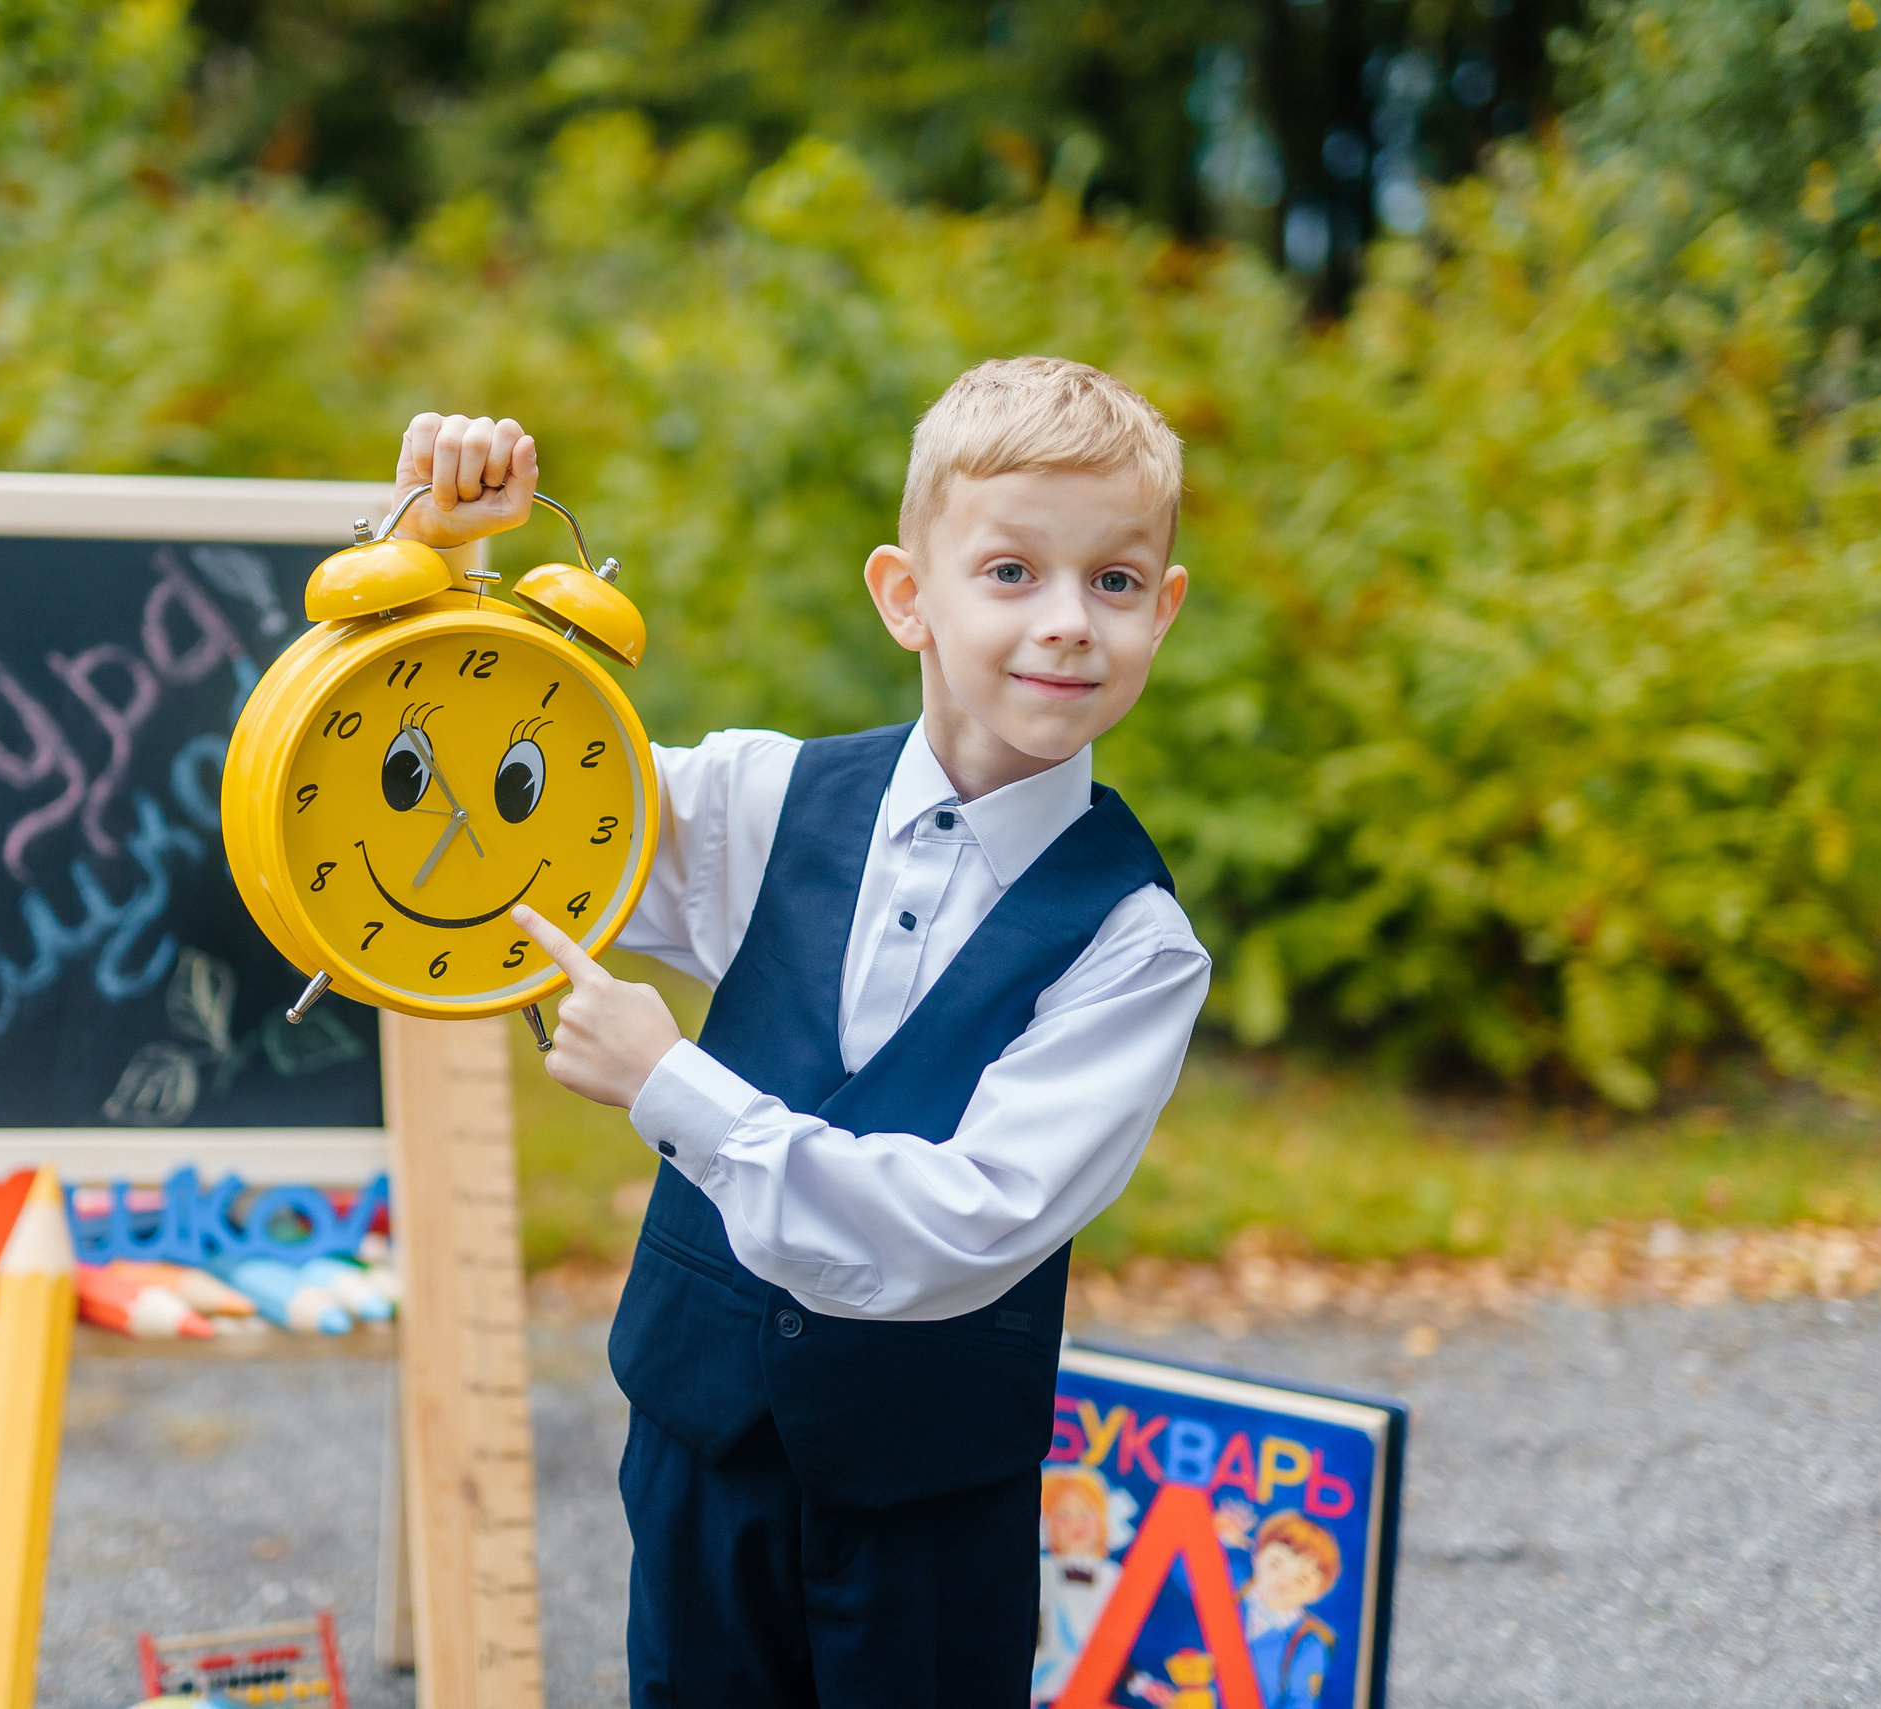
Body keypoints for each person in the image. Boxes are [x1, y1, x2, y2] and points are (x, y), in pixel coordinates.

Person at [391, 356, 1210, 1709]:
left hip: (928, 1503)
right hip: (700, 1446)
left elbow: (963, 1224)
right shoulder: (758, 797)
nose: (1067, 622)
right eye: (1011, 571)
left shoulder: (1134, 944)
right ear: (907, 595)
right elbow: (460, 802)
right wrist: (439, 556)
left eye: (1113, 581)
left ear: (1162, 611)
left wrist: (672, 1084)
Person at [1213, 1503, 1341, 1709]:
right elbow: (1180, 1565)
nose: (1283, 1581)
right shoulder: (1230, 1586)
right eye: (1275, 1564)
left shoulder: (1307, 1642)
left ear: (1317, 1593)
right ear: (1256, 1555)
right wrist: (1213, 1533)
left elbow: (1299, 1703)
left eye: (1301, 1580)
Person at [1033, 1466, 1124, 1702]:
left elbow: (1117, 1644)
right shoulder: (1041, 1571)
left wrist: (1141, 1684)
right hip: (1046, 1690)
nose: (1076, 1523)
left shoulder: (1113, 1577)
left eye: (1086, 1513)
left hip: (1098, 1692)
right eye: (1063, 1515)